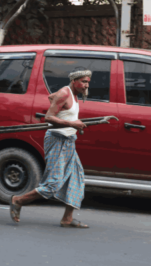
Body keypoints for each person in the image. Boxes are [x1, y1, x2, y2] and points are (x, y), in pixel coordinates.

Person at [9, 67, 91, 228]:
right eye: (83, 82)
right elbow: (48, 117)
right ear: (74, 81)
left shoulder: (72, 95)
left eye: (88, 82)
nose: (86, 85)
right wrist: (72, 123)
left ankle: (67, 218)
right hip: (56, 141)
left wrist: (72, 126)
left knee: (77, 179)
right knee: (53, 184)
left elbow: (51, 97)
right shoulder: (64, 93)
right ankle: (17, 200)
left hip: (68, 141)